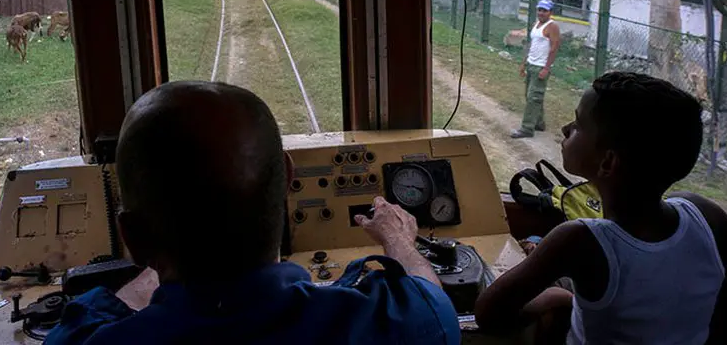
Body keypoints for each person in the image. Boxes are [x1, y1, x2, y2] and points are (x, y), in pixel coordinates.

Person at [47, 80, 461, 344]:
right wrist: (398, 242)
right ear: (287, 181)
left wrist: (161, 260)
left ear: (134, 237)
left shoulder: (91, 338)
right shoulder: (385, 325)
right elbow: (435, 307)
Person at [476, 72, 727, 344]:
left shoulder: (578, 240)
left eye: (579, 125)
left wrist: (560, 296)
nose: (566, 128)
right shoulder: (702, 212)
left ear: (608, 162)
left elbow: (489, 312)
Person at [511, 0, 562, 139]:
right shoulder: (536, 25)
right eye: (539, 10)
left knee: (534, 97)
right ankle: (539, 123)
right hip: (531, 63)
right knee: (530, 95)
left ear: (550, 12)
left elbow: (554, 47)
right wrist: (523, 63)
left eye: (544, 11)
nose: (541, 13)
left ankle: (527, 128)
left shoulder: (553, 26)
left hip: (541, 66)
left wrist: (546, 68)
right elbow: (531, 45)